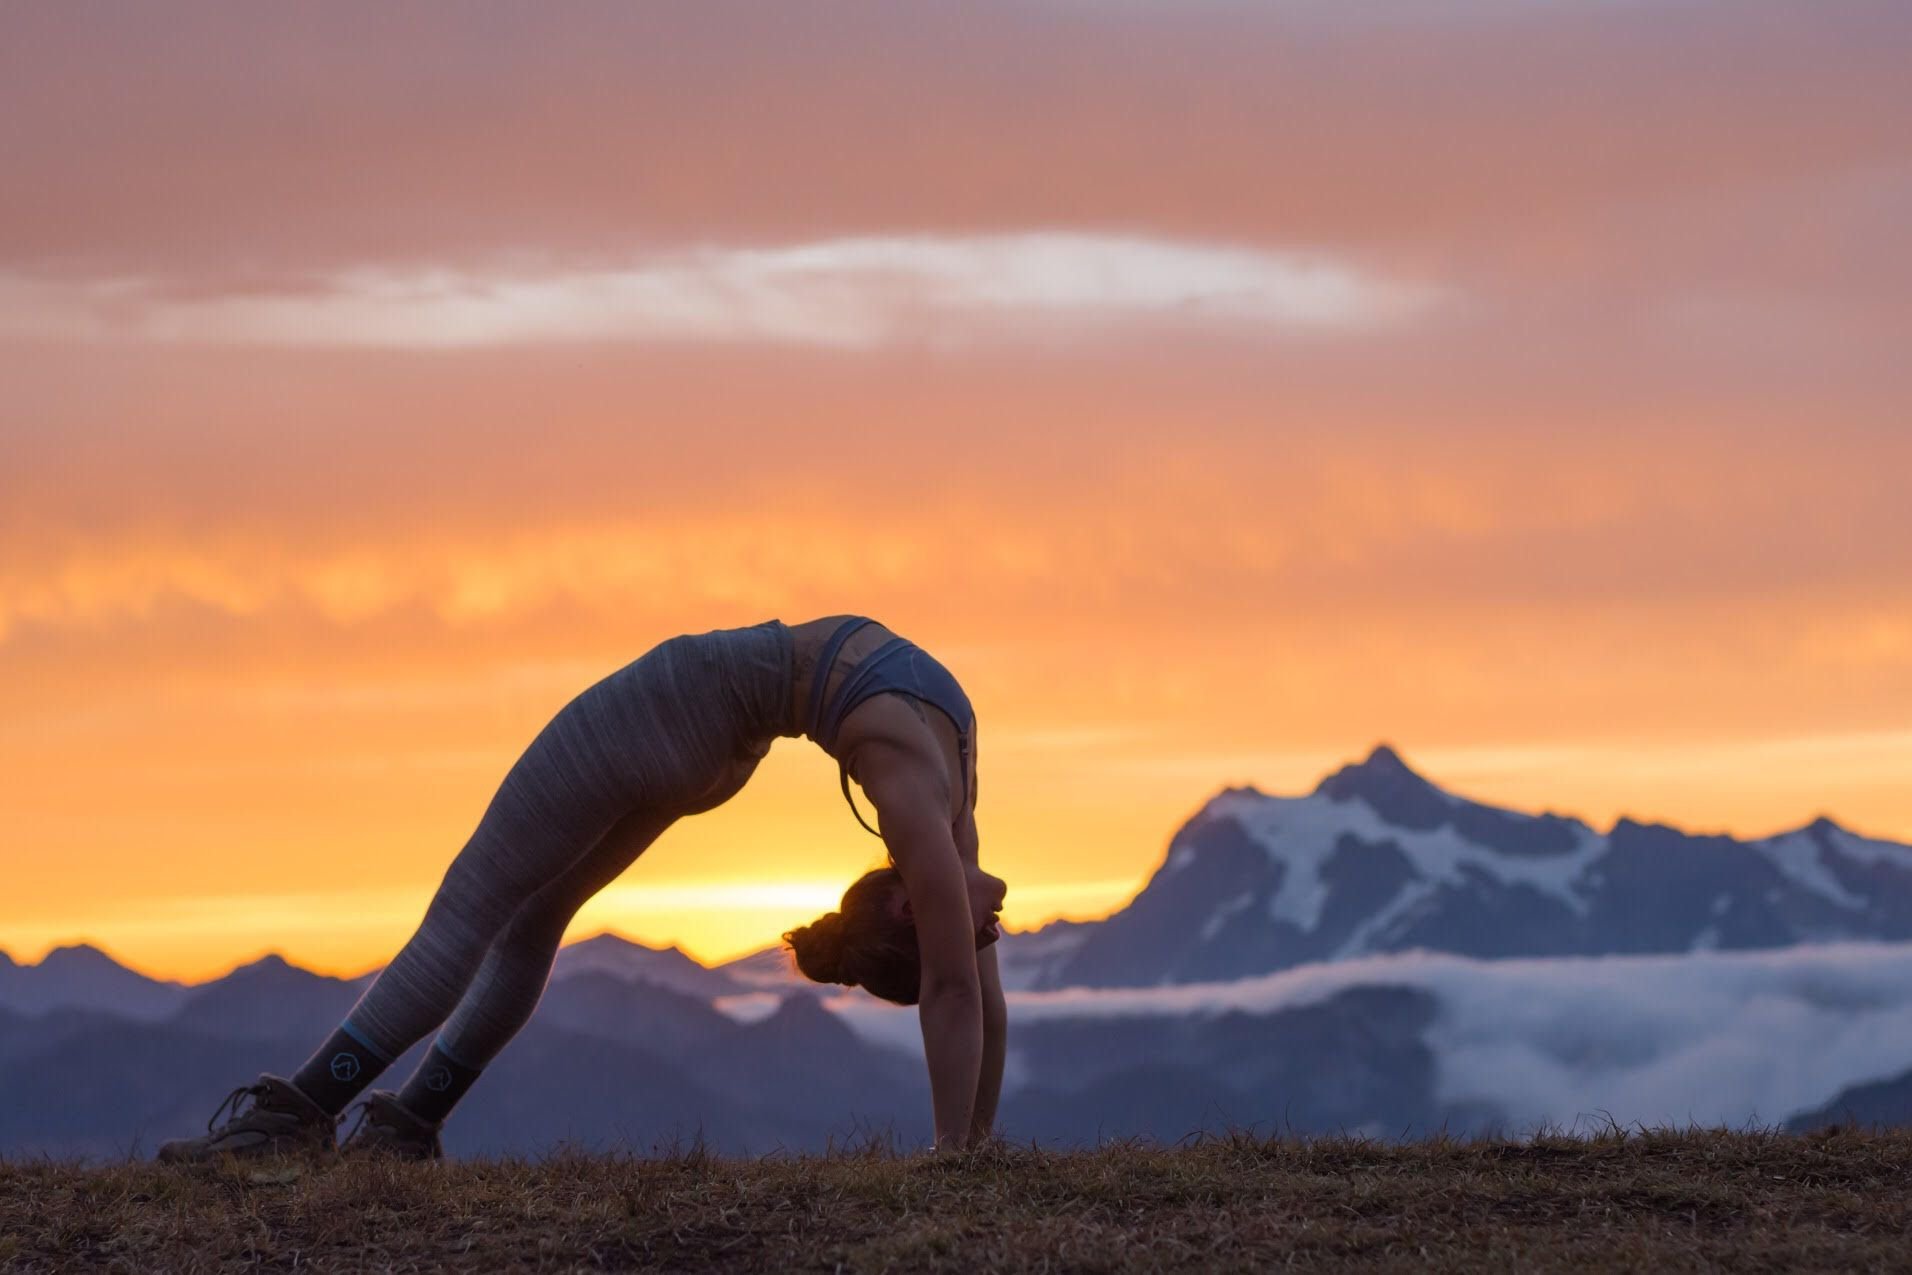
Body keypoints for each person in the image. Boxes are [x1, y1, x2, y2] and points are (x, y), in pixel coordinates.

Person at [156, 616, 1007, 1162]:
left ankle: (297, 1117)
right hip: (720, 744)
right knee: (532, 917)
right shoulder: (948, 814)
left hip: (685, 704)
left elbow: (954, 989)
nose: (994, 924)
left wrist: (948, 1153)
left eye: (966, 930)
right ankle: (406, 1127)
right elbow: (973, 989)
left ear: (907, 905)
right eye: (977, 931)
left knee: (474, 901)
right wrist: (973, 1150)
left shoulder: (919, 812)